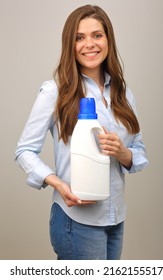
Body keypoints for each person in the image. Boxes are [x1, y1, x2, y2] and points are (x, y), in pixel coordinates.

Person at [15, 4, 148, 260]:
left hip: (116, 218)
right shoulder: (56, 91)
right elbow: (24, 151)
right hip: (76, 221)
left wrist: (123, 153)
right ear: (70, 44)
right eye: (79, 37)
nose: (89, 44)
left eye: (97, 35)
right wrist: (58, 184)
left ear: (108, 39)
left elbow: (139, 151)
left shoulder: (123, 94)